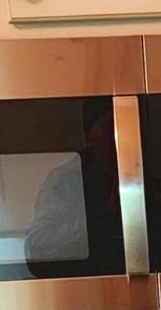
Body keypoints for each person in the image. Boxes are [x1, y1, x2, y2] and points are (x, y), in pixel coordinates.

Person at [25, 97, 126, 277]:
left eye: (125, 126)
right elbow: (37, 254)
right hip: (84, 290)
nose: (119, 135)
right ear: (88, 136)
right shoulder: (66, 180)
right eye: (109, 125)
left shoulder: (155, 169)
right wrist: (103, 218)